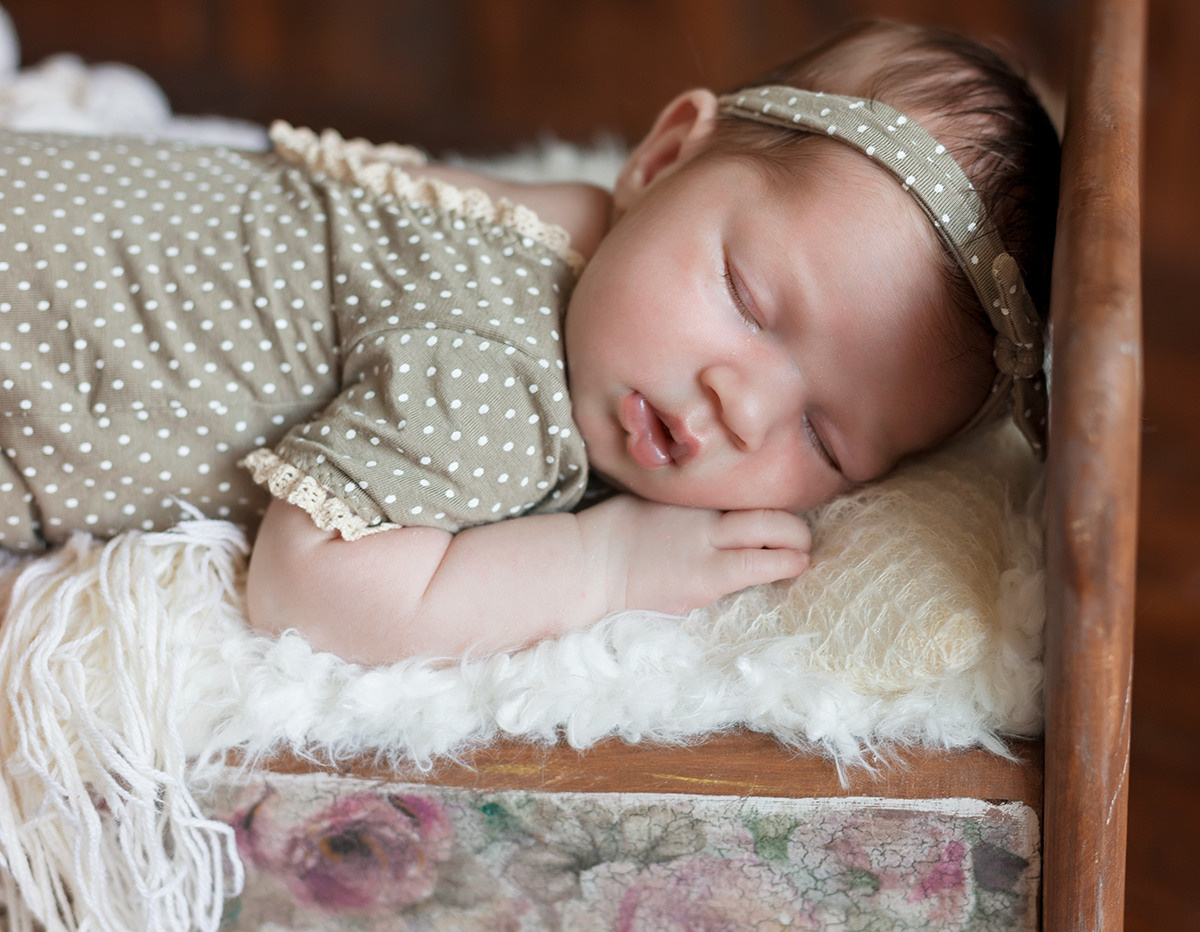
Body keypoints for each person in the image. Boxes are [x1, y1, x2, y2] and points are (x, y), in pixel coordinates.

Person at [0, 19, 1059, 662]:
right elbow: (306, 587)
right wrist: (601, 565)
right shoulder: (506, 390)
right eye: (745, 296)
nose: (743, 401)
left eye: (826, 439)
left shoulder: (567, 222)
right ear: (662, 155)